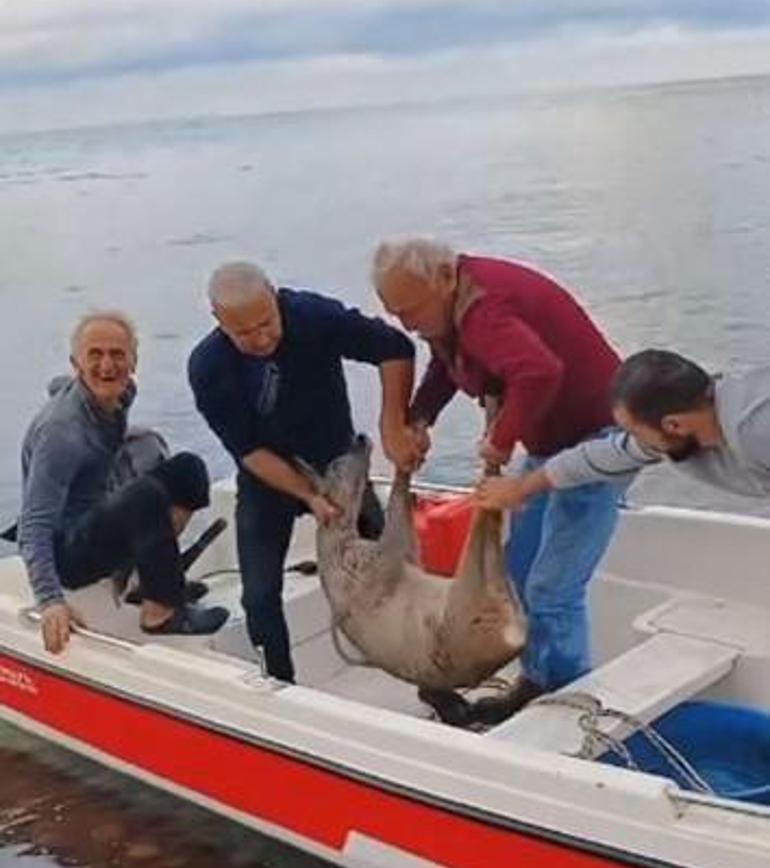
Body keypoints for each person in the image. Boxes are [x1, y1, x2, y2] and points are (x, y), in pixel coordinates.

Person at [373, 238, 622, 716]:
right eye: (394, 313)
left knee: (552, 588)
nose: (406, 324)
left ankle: (572, 705)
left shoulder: (486, 310)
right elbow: (447, 366)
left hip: (599, 439)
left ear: (444, 278)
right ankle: (538, 681)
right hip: (552, 444)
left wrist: (502, 439)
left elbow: (538, 371)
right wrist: (419, 417)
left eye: (411, 310)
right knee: (521, 566)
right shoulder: (447, 305)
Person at [188, 260, 422, 682]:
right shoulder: (208, 367)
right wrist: (309, 496)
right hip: (268, 482)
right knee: (259, 598)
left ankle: (423, 673)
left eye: (267, 323)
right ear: (218, 321)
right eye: (244, 333)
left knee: (394, 572)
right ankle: (281, 684)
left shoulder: (313, 317)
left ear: (276, 297)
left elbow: (395, 348)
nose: (261, 339)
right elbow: (249, 450)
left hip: (340, 469)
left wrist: (393, 426)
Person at [19, 312, 228, 655]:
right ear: (77, 363)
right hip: (68, 552)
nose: (107, 365)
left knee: (188, 470)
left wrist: (125, 436)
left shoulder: (119, 394)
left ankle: (153, 583)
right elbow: (34, 524)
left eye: (117, 354)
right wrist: (49, 601)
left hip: (95, 514)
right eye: (95, 355)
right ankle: (161, 612)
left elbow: (59, 388)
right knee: (143, 496)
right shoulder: (61, 434)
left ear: (134, 361)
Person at [476, 348, 770, 517]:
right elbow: (601, 456)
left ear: (673, 425)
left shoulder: (756, 429)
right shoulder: (685, 427)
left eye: (636, 432)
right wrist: (522, 487)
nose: (635, 443)